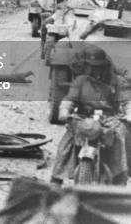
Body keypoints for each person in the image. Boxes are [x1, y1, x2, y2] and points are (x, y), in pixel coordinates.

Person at [51, 44, 131, 185]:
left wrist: (128, 115)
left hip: (110, 119)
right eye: (92, 66)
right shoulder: (80, 81)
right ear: (86, 66)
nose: (95, 70)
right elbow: (70, 99)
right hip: (84, 118)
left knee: (121, 137)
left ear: (105, 66)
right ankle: (56, 178)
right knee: (66, 142)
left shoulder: (118, 82)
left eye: (99, 66)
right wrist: (64, 111)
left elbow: (127, 101)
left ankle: (120, 179)